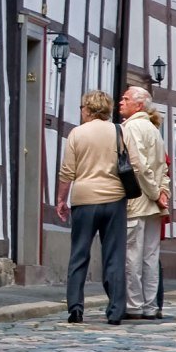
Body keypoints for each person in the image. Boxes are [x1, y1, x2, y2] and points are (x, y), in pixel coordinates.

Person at [56, 90, 132, 324]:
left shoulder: (77, 134)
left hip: (84, 200)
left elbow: (67, 171)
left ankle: (76, 308)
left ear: (88, 109)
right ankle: (116, 310)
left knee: (79, 254)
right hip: (113, 198)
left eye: (82, 108)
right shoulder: (119, 131)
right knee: (114, 256)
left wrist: (61, 199)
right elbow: (131, 163)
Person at [118, 87, 170, 320]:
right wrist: (163, 192)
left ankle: (134, 304)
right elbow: (163, 166)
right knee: (150, 257)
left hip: (138, 200)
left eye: (126, 99)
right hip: (153, 203)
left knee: (133, 256)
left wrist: (153, 192)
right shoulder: (153, 128)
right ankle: (150, 305)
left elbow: (138, 166)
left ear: (138, 105)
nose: (121, 102)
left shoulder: (131, 128)